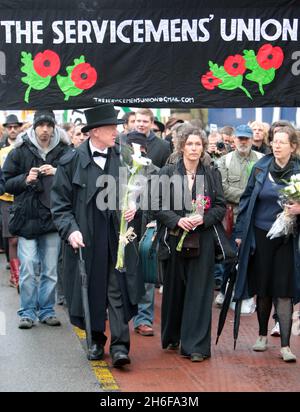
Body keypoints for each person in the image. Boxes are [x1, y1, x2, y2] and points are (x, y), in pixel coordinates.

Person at [51, 104, 144, 367]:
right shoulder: (70, 162)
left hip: (117, 238)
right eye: (111, 128)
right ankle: (94, 341)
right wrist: (71, 230)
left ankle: (120, 347)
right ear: (95, 132)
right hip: (86, 238)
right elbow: (59, 205)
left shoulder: (124, 157)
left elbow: (138, 190)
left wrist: (134, 205)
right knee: (90, 291)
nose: (116, 132)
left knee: (118, 291)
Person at [155, 129, 226, 362]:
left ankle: (196, 346)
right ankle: (173, 335)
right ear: (182, 147)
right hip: (175, 237)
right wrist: (178, 220)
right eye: (190, 144)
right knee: (175, 289)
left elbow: (219, 206)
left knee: (199, 291)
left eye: (198, 144)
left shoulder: (212, 173)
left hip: (202, 239)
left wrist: (203, 219)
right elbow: (157, 205)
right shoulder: (167, 172)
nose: (194, 148)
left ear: (203, 147)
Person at [234, 126, 300, 362]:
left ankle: (285, 346)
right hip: (261, 236)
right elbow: (245, 200)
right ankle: (261, 335)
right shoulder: (260, 167)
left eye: (283, 142)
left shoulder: (299, 169)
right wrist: (240, 234)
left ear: (293, 146)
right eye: (275, 141)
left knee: (283, 291)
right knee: (262, 288)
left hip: (288, 238)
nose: (277, 145)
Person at [2, 110, 70, 329]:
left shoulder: (64, 150)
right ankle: (27, 311)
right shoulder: (19, 150)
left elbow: (77, 179)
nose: (45, 130)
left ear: (54, 127)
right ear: (33, 127)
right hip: (27, 217)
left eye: (48, 125)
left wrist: (57, 172)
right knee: (29, 266)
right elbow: (5, 183)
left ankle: (47, 310)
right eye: (40, 125)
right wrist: (25, 178)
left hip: (53, 218)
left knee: (50, 270)